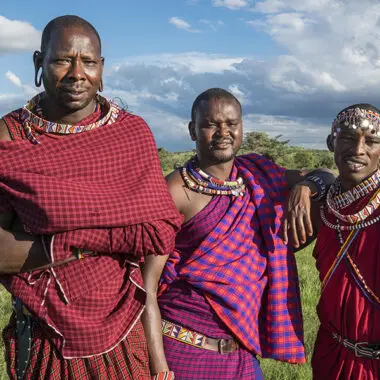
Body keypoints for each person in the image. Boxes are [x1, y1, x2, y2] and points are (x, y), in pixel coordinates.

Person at [0, 15, 181, 379]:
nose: (77, 73)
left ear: (102, 68)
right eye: (62, 59)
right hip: (44, 335)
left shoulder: (131, 134)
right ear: (39, 62)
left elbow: (158, 230)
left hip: (125, 329)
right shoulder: (10, 138)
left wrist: (55, 237)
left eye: (89, 62)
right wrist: (92, 242)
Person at [157, 88, 335, 379]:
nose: (223, 132)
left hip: (242, 351)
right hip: (182, 345)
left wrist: (306, 187)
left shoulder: (258, 175)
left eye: (232, 123)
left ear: (242, 128)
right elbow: (146, 286)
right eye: (211, 124)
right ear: (192, 130)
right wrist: (157, 366)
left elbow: (327, 176)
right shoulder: (175, 190)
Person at [308, 104, 380, 379]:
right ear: (331, 142)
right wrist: (308, 183)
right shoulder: (318, 205)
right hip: (331, 355)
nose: (358, 149)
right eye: (346, 137)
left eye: (371, 141)